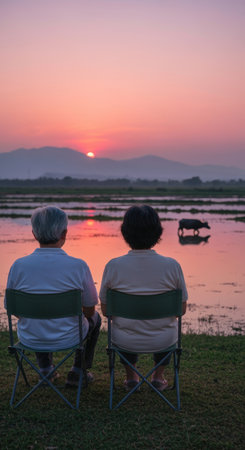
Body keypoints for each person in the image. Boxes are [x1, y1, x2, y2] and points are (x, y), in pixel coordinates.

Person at [5, 206, 101, 386]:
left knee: (37, 316)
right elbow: (89, 311)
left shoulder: (18, 266)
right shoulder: (78, 266)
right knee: (96, 318)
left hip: (30, 337)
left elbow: (13, 309)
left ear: (34, 234)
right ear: (64, 234)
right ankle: (78, 372)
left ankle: (45, 369)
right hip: (70, 337)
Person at [100, 205, 188, 391]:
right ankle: (158, 376)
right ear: (158, 233)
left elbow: (107, 311)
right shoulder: (172, 266)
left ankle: (131, 378)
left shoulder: (113, 266)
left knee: (124, 328)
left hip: (124, 340)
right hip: (164, 339)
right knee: (166, 327)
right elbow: (181, 310)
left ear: (125, 233)